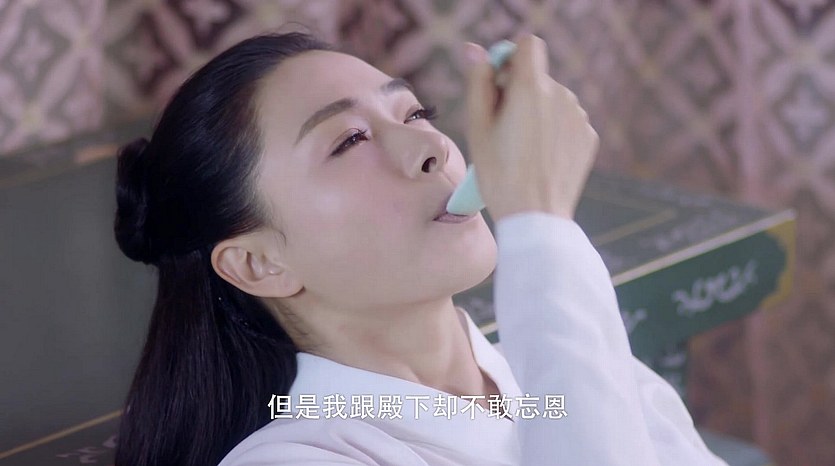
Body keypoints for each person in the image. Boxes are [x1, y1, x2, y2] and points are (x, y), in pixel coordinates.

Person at [112, 30, 728, 466]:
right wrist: (539, 228)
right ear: (258, 263)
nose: (431, 148)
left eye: (413, 114)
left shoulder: (580, 374)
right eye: (349, 141)